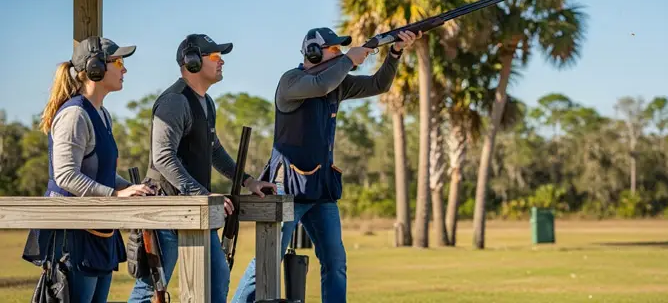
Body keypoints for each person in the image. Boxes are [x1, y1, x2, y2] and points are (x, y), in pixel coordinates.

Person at [231, 27, 422, 303]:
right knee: (268, 260)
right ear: (313, 52)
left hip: (321, 189)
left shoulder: (338, 82)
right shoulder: (291, 80)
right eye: (334, 49)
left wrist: (394, 53)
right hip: (288, 188)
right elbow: (320, 85)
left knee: (335, 262)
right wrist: (350, 60)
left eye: (340, 49)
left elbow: (380, 85)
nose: (340, 52)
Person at [127, 34, 276, 303]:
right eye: (215, 57)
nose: (221, 62)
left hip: (195, 207)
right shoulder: (174, 101)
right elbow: (162, 157)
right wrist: (200, 193)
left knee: (218, 277)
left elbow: (215, 150)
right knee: (150, 289)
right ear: (192, 62)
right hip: (166, 206)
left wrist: (248, 181)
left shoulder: (206, 102)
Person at [21, 36, 154, 303]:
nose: (124, 69)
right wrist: (115, 196)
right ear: (95, 67)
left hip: (98, 230)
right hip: (73, 235)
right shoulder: (75, 115)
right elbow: (66, 175)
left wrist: (126, 188)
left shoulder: (102, 114)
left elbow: (99, 172)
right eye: (117, 62)